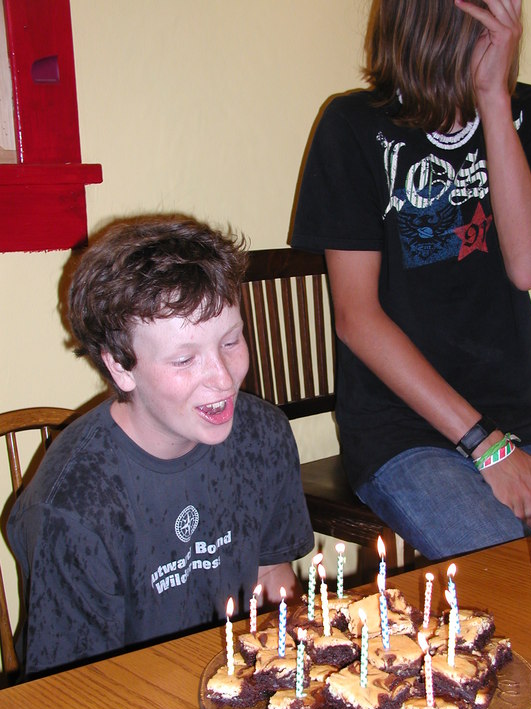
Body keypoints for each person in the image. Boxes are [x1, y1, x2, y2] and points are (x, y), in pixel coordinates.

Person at [291, 0, 531, 560]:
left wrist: (494, 101)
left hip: (523, 420)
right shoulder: (354, 125)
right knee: (513, 572)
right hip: (402, 431)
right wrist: (484, 444)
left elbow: (528, 266)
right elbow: (357, 318)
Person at [8, 214, 314, 677]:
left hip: (231, 681)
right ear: (120, 366)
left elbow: (272, 575)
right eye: (185, 359)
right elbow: (78, 692)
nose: (223, 377)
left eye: (231, 340)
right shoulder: (73, 506)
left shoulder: (263, 436)